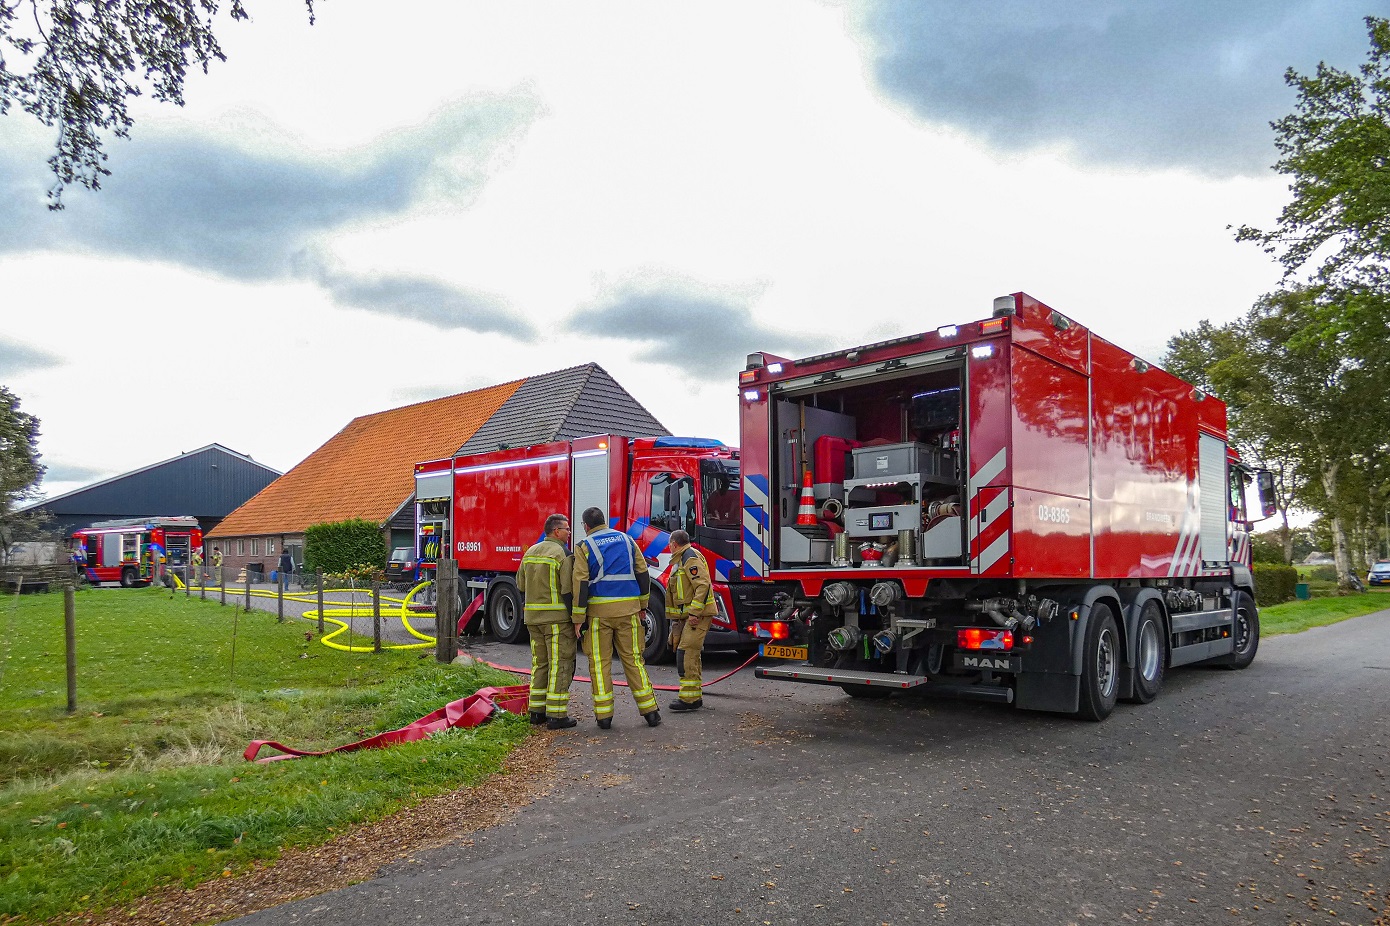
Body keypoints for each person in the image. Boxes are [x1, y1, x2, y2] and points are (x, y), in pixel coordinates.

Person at [572, 506, 661, 729]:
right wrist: (642, 605)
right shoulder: (627, 540)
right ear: (604, 520)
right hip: (628, 612)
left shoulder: (584, 546)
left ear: (586, 526)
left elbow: (580, 582)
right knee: (633, 660)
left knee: (600, 664)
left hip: (598, 615)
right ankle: (650, 712)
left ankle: (604, 717)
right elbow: (642, 573)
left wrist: (578, 617)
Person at [519, 514, 579, 730]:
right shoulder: (563, 554)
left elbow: (521, 584)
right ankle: (556, 715)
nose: (569, 533)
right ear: (556, 531)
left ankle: (536, 712)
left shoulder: (530, 551)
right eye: (567, 529)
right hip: (556, 620)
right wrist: (576, 618)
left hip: (533, 619)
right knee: (560, 664)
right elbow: (568, 590)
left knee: (540, 664)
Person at [664, 529, 717, 712]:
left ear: (674, 544)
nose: (669, 547)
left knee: (686, 653)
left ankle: (688, 699)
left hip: (698, 616)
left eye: (670, 544)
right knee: (691, 654)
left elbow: (702, 585)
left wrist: (694, 612)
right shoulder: (683, 557)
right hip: (691, 616)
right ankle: (694, 696)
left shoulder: (689, 557)